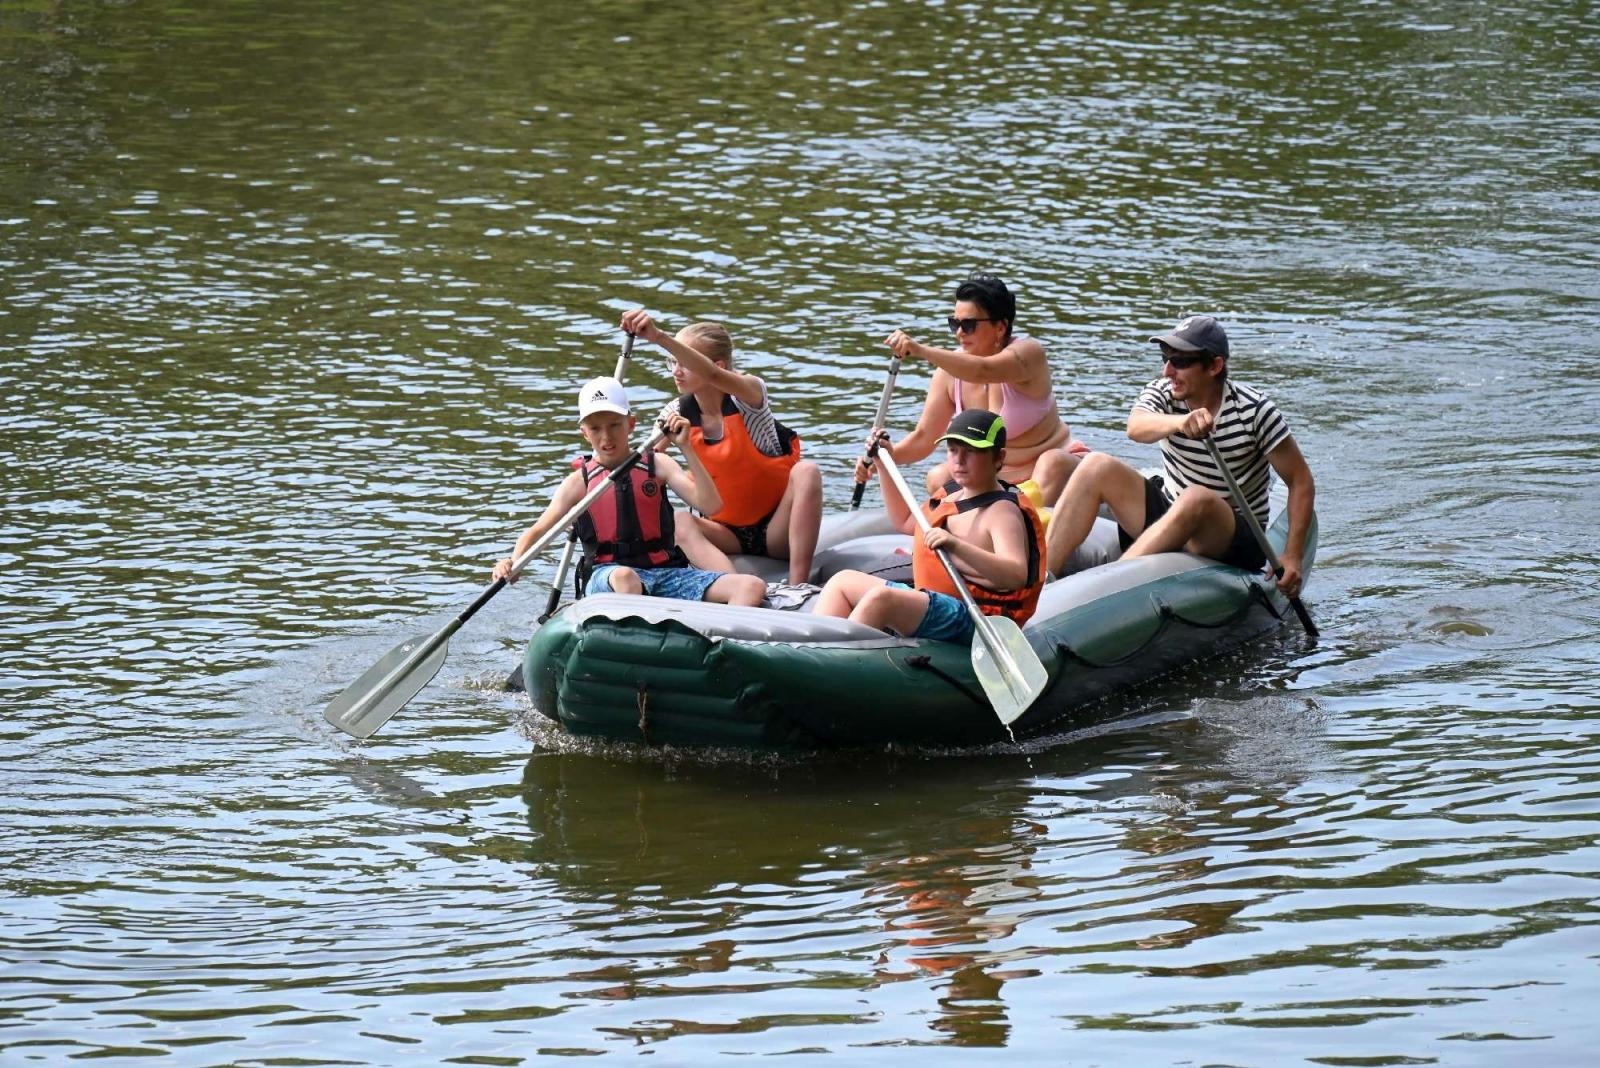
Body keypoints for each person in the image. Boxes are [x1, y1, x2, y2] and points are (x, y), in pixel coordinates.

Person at [1042, 315, 1315, 596]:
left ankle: (1108, 592)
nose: (1167, 371)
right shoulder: (1164, 392)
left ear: (1214, 366)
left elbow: (1300, 480)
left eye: (1181, 361)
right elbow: (1136, 427)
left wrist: (1292, 555)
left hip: (1228, 534)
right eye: (1165, 358)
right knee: (1096, 464)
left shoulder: (1255, 410)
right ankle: (1041, 581)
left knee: (1197, 497)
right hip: (1171, 513)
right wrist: (1180, 423)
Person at [492, 376, 766, 607]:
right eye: (596, 428)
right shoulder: (579, 483)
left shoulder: (657, 464)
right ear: (584, 433)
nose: (606, 437)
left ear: (631, 424)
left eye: (614, 425)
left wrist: (686, 448)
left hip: (664, 574)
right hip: (607, 577)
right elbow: (538, 531)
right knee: (626, 578)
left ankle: (717, 644)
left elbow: (711, 505)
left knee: (750, 587)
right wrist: (513, 562)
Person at [620, 309, 823, 586]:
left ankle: (798, 588)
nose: (676, 371)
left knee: (807, 471)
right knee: (680, 520)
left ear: (721, 365)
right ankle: (739, 592)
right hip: (724, 532)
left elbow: (712, 375)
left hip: (777, 531)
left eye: (685, 363)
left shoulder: (750, 395)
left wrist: (657, 337)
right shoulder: (675, 412)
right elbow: (642, 464)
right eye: (672, 362)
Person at [816, 409, 1044, 641]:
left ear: (999, 457)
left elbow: (1015, 574)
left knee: (881, 599)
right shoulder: (952, 494)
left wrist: (955, 545)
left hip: (978, 618)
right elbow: (904, 520)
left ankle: (831, 660)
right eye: (953, 450)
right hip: (937, 600)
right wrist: (883, 462)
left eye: (971, 451)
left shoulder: (1002, 512)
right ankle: (811, 649)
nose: (959, 460)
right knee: (842, 581)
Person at [865, 272, 1088, 503]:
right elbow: (924, 437)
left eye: (969, 325)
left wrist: (920, 350)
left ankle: (1024, 525)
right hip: (995, 477)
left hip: (1052, 470)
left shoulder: (1028, 354)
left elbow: (984, 370)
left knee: (1052, 462)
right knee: (938, 476)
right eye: (955, 324)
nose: (960, 333)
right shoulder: (949, 373)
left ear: (1000, 327)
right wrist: (887, 456)